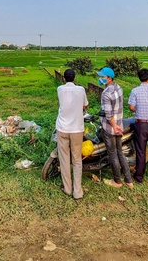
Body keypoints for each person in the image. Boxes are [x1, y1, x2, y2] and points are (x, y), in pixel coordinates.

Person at [97, 67, 134, 188]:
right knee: (120, 151)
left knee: (112, 153)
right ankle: (128, 180)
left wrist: (114, 127)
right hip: (120, 124)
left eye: (103, 77)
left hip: (111, 127)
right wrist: (118, 127)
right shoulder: (119, 88)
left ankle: (117, 181)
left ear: (109, 78)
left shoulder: (106, 93)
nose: (100, 79)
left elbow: (109, 115)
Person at [56, 69, 88, 199]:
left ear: (64, 78)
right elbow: (85, 106)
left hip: (62, 128)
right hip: (76, 129)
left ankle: (67, 188)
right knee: (77, 160)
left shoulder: (60, 89)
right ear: (74, 78)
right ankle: (78, 192)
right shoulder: (81, 90)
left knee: (64, 159)